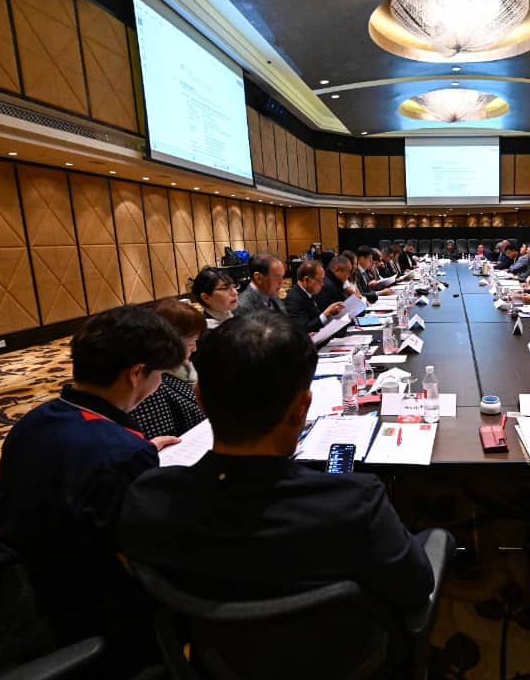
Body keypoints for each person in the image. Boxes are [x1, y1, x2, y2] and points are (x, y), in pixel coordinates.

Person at [119, 311, 437, 611]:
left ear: (199, 397)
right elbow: (415, 585)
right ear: (302, 407)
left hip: (202, 648)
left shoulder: (148, 497)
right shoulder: (355, 502)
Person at [0, 306, 185, 670]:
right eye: (160, 374)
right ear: (135, 373)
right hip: (92, 617)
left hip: (22, 592)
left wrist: (139, 447)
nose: (160, 383)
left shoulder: (33, 420)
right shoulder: (121, 454)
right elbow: (144, 557)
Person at [131, 299, 207, 439]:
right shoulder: (150, 381)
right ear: (170, 342)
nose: (195, 348)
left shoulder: (185, 368)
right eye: (190, 342)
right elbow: (160, 436)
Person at [284, 260, 346, 333]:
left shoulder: (310, 292)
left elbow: (316, 319)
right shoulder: (293, 298)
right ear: (306, 280)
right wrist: (326, 314)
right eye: (319, 280)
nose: (322, 284)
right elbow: (303, 329)